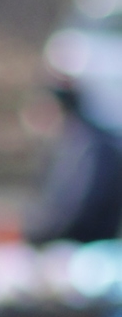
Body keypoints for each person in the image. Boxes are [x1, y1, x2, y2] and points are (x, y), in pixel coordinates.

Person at [28, 71, 122, 250]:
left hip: (86, 251)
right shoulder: (68, 143)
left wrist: (28, 232)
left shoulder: (90, 147)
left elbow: (74, 214)